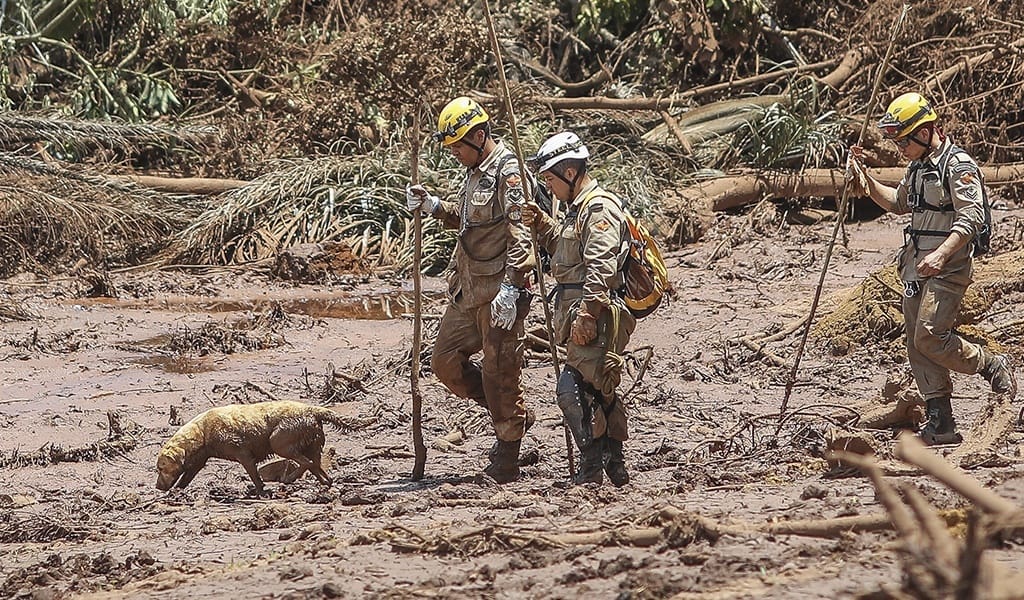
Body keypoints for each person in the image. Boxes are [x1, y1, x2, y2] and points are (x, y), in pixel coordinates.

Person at [848, 92, 1017, 445]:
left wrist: (941, 254)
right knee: (915, 341)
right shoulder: (917, 168)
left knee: (929, 334)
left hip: (948, 266)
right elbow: (897, 203)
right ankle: (940, 420)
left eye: (903, 141)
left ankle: (989, 363)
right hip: (915, 266)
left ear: (925, 133)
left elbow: (973, 216)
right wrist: (865, 181)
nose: (899, 149)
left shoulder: (958, 166)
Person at [405, 97, 536, 483]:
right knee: (444, 362)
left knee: (501, 372)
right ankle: (509, 413)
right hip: (467, 290)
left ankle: (508, 451)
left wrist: (513, 288)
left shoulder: (509, 173)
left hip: (499, 292)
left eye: (459, 145)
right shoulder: (474, 170)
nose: (456, 153)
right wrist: (432, 206)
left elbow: (522, 236)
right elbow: (467, 222)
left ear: (480, 136)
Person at [520, 131, 635, 486]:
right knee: (599, 390)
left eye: (551, 180)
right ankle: (614, 466)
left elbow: (601, 267)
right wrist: (542, 226)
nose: (549, 187)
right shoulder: (576, 211)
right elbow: (567, 252)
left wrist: (587, 314)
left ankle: (591, 469)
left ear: (570, 174)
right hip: (578, 311)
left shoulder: (598, 208)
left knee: (572, 390)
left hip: (595, 314)